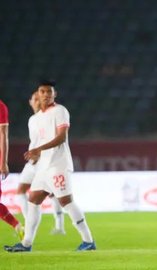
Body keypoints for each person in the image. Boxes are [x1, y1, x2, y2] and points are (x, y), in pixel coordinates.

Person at [4, 81, 95, 252]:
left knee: (66, 201)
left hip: (58, 164)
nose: (45, 94)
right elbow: (36, 143)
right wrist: (34, 155)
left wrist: (39, 149)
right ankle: (26, 244)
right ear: (37, 94)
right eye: (42, 91)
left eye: (49, 91)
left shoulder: (60, 111)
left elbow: (61, 137)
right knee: (33, 201)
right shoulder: (33, 119)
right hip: (42, 167)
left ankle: (88, 241)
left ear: (55, 94)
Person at [16, 91, 66, 235]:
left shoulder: (49, 117)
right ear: (30, 101)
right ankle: (28, 222)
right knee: (20, 190)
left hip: (45, 161)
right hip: (33, 162)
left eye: (40, 99)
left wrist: (42, 153)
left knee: (54, 194)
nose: (38, 101)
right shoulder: (32, 119)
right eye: (35, 99)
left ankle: (59, 226)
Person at [0, 99, 24, 239]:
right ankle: (18, 226)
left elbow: (3, 134)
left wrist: (3, 162)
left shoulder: (1, 107)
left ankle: (18, 226)